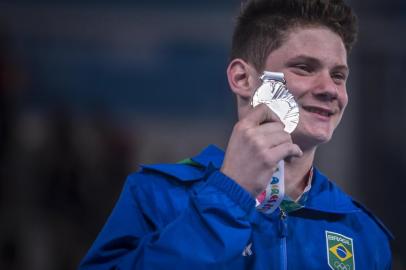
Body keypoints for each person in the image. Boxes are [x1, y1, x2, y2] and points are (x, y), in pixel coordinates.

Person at [79, 0, 392, 269]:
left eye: (338, 75)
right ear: (243, 78)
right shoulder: (156, 196)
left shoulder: (361, 231)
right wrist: (229, 195)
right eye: (304, 68)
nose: (329, 89)